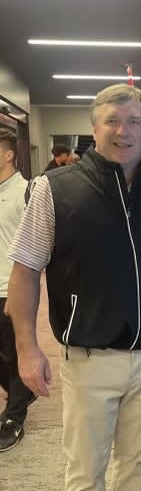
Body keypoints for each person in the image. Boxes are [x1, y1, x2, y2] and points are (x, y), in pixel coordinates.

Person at [7, 84, 141, 491]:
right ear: (94, 128)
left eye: (135, 121)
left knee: (136, 463)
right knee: (86, 470)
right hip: (89, 358)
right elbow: (25, 271)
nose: (125, 131)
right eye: (113, 121)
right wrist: (26, 349)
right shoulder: (55, 188)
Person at [0, 128, 36, 452]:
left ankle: (14, 416)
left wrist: (18, 293)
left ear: (9, 154)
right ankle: (21, 391)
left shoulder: (27, 192)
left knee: (14, 355)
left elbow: (33, 250)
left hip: (10, 289)